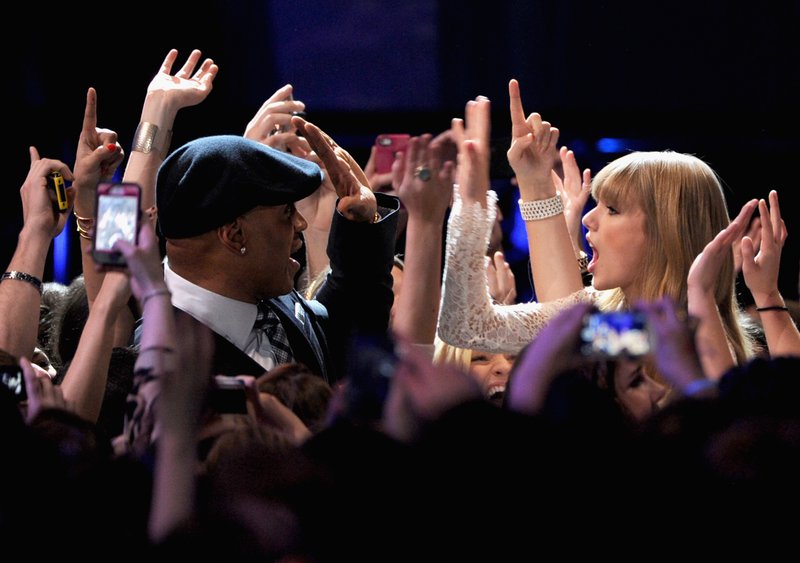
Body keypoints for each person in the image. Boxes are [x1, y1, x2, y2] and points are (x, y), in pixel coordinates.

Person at [437, 82, 761, 384]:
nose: (589, 218)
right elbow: (468, 329)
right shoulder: (618, 327)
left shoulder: (670, 336)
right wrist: (522, 186)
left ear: (666, 234)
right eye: (598, 205)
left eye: (613, 209)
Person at [154, 124, 398, 384]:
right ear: (235, 235)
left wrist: (361, 224)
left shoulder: (269, 302)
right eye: (287, 212)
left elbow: (346, 332)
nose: (301, 223)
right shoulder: (161, 367)